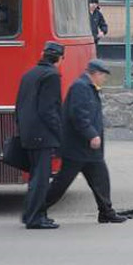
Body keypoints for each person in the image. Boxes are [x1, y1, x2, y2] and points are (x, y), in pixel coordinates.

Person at [45, 59, 127, 224]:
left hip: (89, 150)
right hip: (78, 148)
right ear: (95, 74)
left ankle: (106, 212)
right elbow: (78, 115)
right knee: (61, 183)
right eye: (103, 75)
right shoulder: (80, 87)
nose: (104, 79)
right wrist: (91, 134)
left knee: (101, 179)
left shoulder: (88, 87)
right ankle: (36, 209)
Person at [15, 41, 64, 229]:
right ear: (59, 59)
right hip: (42, 135)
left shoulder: (29, 74)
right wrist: (59, 134)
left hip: (29, 133)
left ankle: (33, 214)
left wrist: (21, 129)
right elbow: (48, 110)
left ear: (44, 54)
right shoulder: (51, 75)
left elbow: (18, 104)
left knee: (35, 177)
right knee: (41, 179)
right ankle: (35, 218)